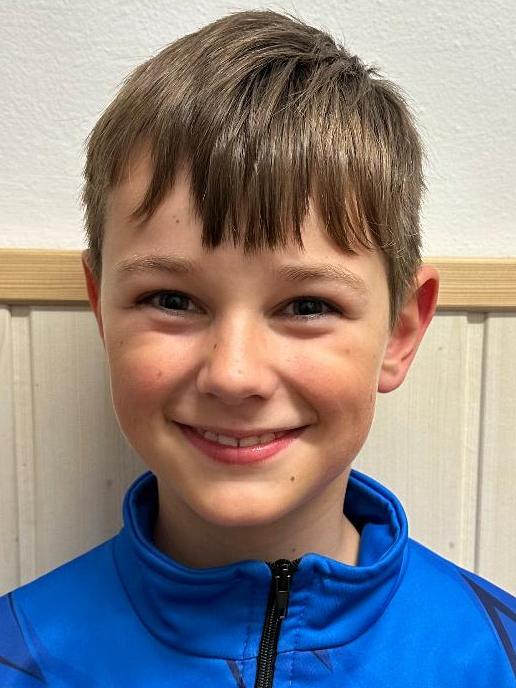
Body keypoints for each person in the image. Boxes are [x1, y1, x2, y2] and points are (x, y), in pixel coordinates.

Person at [1, 9, 514, 687]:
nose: (234, 374)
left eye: (307, 306)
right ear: (102, 310)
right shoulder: (18, 656)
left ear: (399, 333)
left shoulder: (496, 655)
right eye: (171, 300)